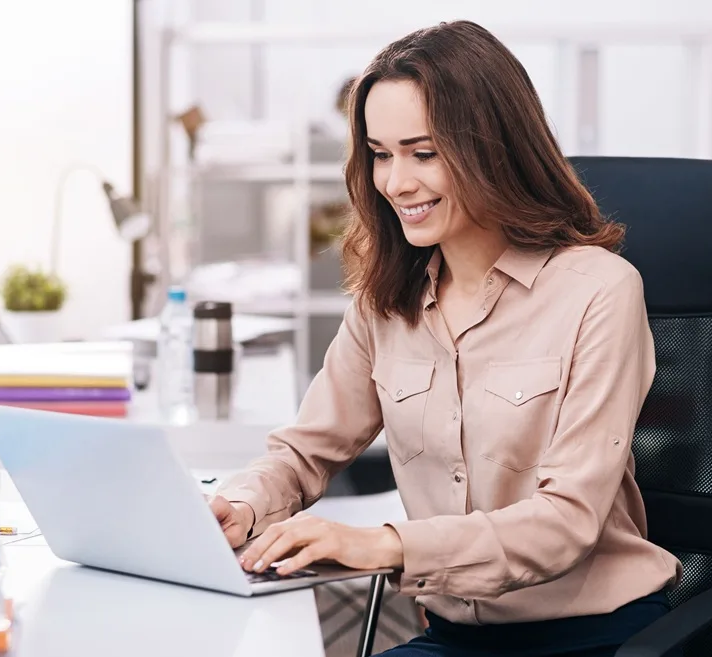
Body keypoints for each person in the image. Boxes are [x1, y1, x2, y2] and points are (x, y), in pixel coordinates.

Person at [207, 19, 683, 657]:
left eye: (423, 153)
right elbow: (303, 454)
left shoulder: (598, 291)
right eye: (380, 153)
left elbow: (567, 521)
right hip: (452, 637)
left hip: (596, 638)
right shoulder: (386, 299)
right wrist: (241, 504)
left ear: (493, 149)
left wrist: (386, 544)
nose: (396, 182)